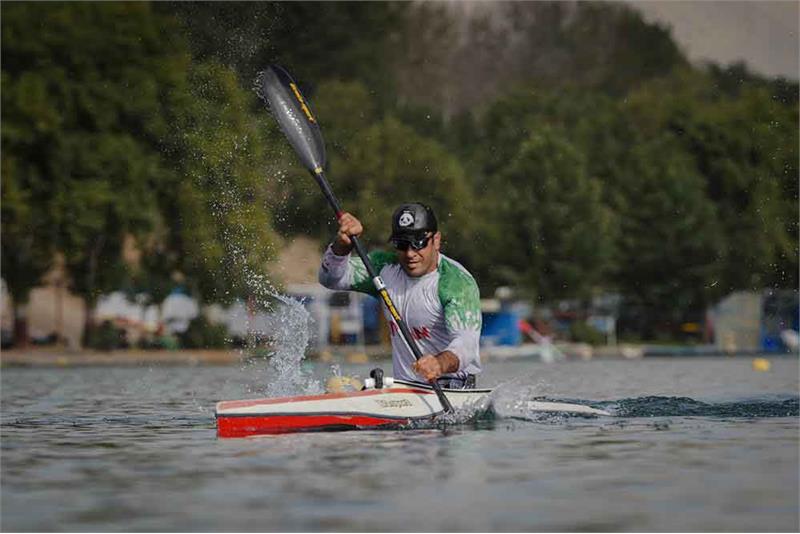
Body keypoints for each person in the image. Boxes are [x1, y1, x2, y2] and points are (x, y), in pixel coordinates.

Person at [319, 202, 482, 388]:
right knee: (335, 386)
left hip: (451, 387)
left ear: (436, 240)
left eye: (418, 243)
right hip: (405, 390)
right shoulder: (384, 268)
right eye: (402, 244)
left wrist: (438, 363)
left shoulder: (456, 282)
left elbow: (467, 344)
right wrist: (341, 247)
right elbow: (330, 279)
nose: (410, 253)